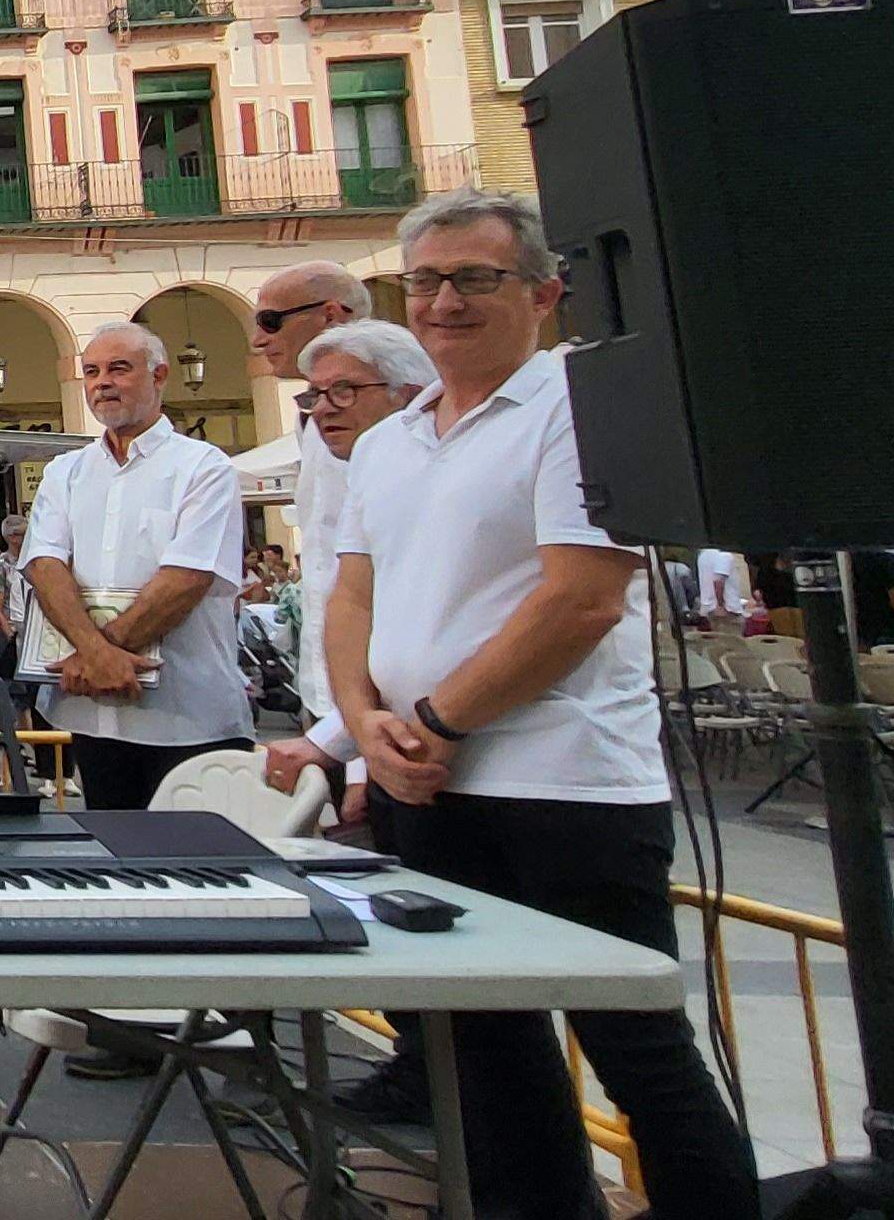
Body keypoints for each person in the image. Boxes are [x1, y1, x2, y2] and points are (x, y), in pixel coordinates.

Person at [326, 188, 755, 1220]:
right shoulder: (389, 439)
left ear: (543, 292)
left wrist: (430, 724)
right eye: (423, 281)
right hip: (424, 785)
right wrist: (363, 726)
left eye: (475, 279)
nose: (443, 303)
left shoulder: (579, 408)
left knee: (635, 1050)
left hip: (566, 786)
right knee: (480, 1045)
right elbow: (350, 593)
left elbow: (580, 597)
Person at [256, 318, 435, 1120]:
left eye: (342, 394)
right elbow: (349, 609)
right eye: (313, 396)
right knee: (447, 991)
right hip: (377, 737)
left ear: (404, 394)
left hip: (445, 751)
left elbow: (428, 624)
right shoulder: (365, 468)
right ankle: (421, 1071)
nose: (322, 410)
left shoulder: (421, 465)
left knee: (625, 1041)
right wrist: (337, 738)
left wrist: (358, 747)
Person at [22, 324, 253, 811]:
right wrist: (97, 656)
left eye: (118, 369)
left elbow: (187, 578)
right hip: (93, 715)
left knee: (204, 871)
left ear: (160, 375)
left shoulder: (203, 467)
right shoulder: (66, 471)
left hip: (186, 713)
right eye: (91, 372)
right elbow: (45, 566)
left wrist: (94, 656)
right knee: (121, 866)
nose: (102, 382)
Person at [247, 262, 365, 720]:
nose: (258, 339)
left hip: (380, 696)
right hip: (327, 690)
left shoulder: (395, 410)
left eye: (271, 322)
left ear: (332, 315)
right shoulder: (312, 421)